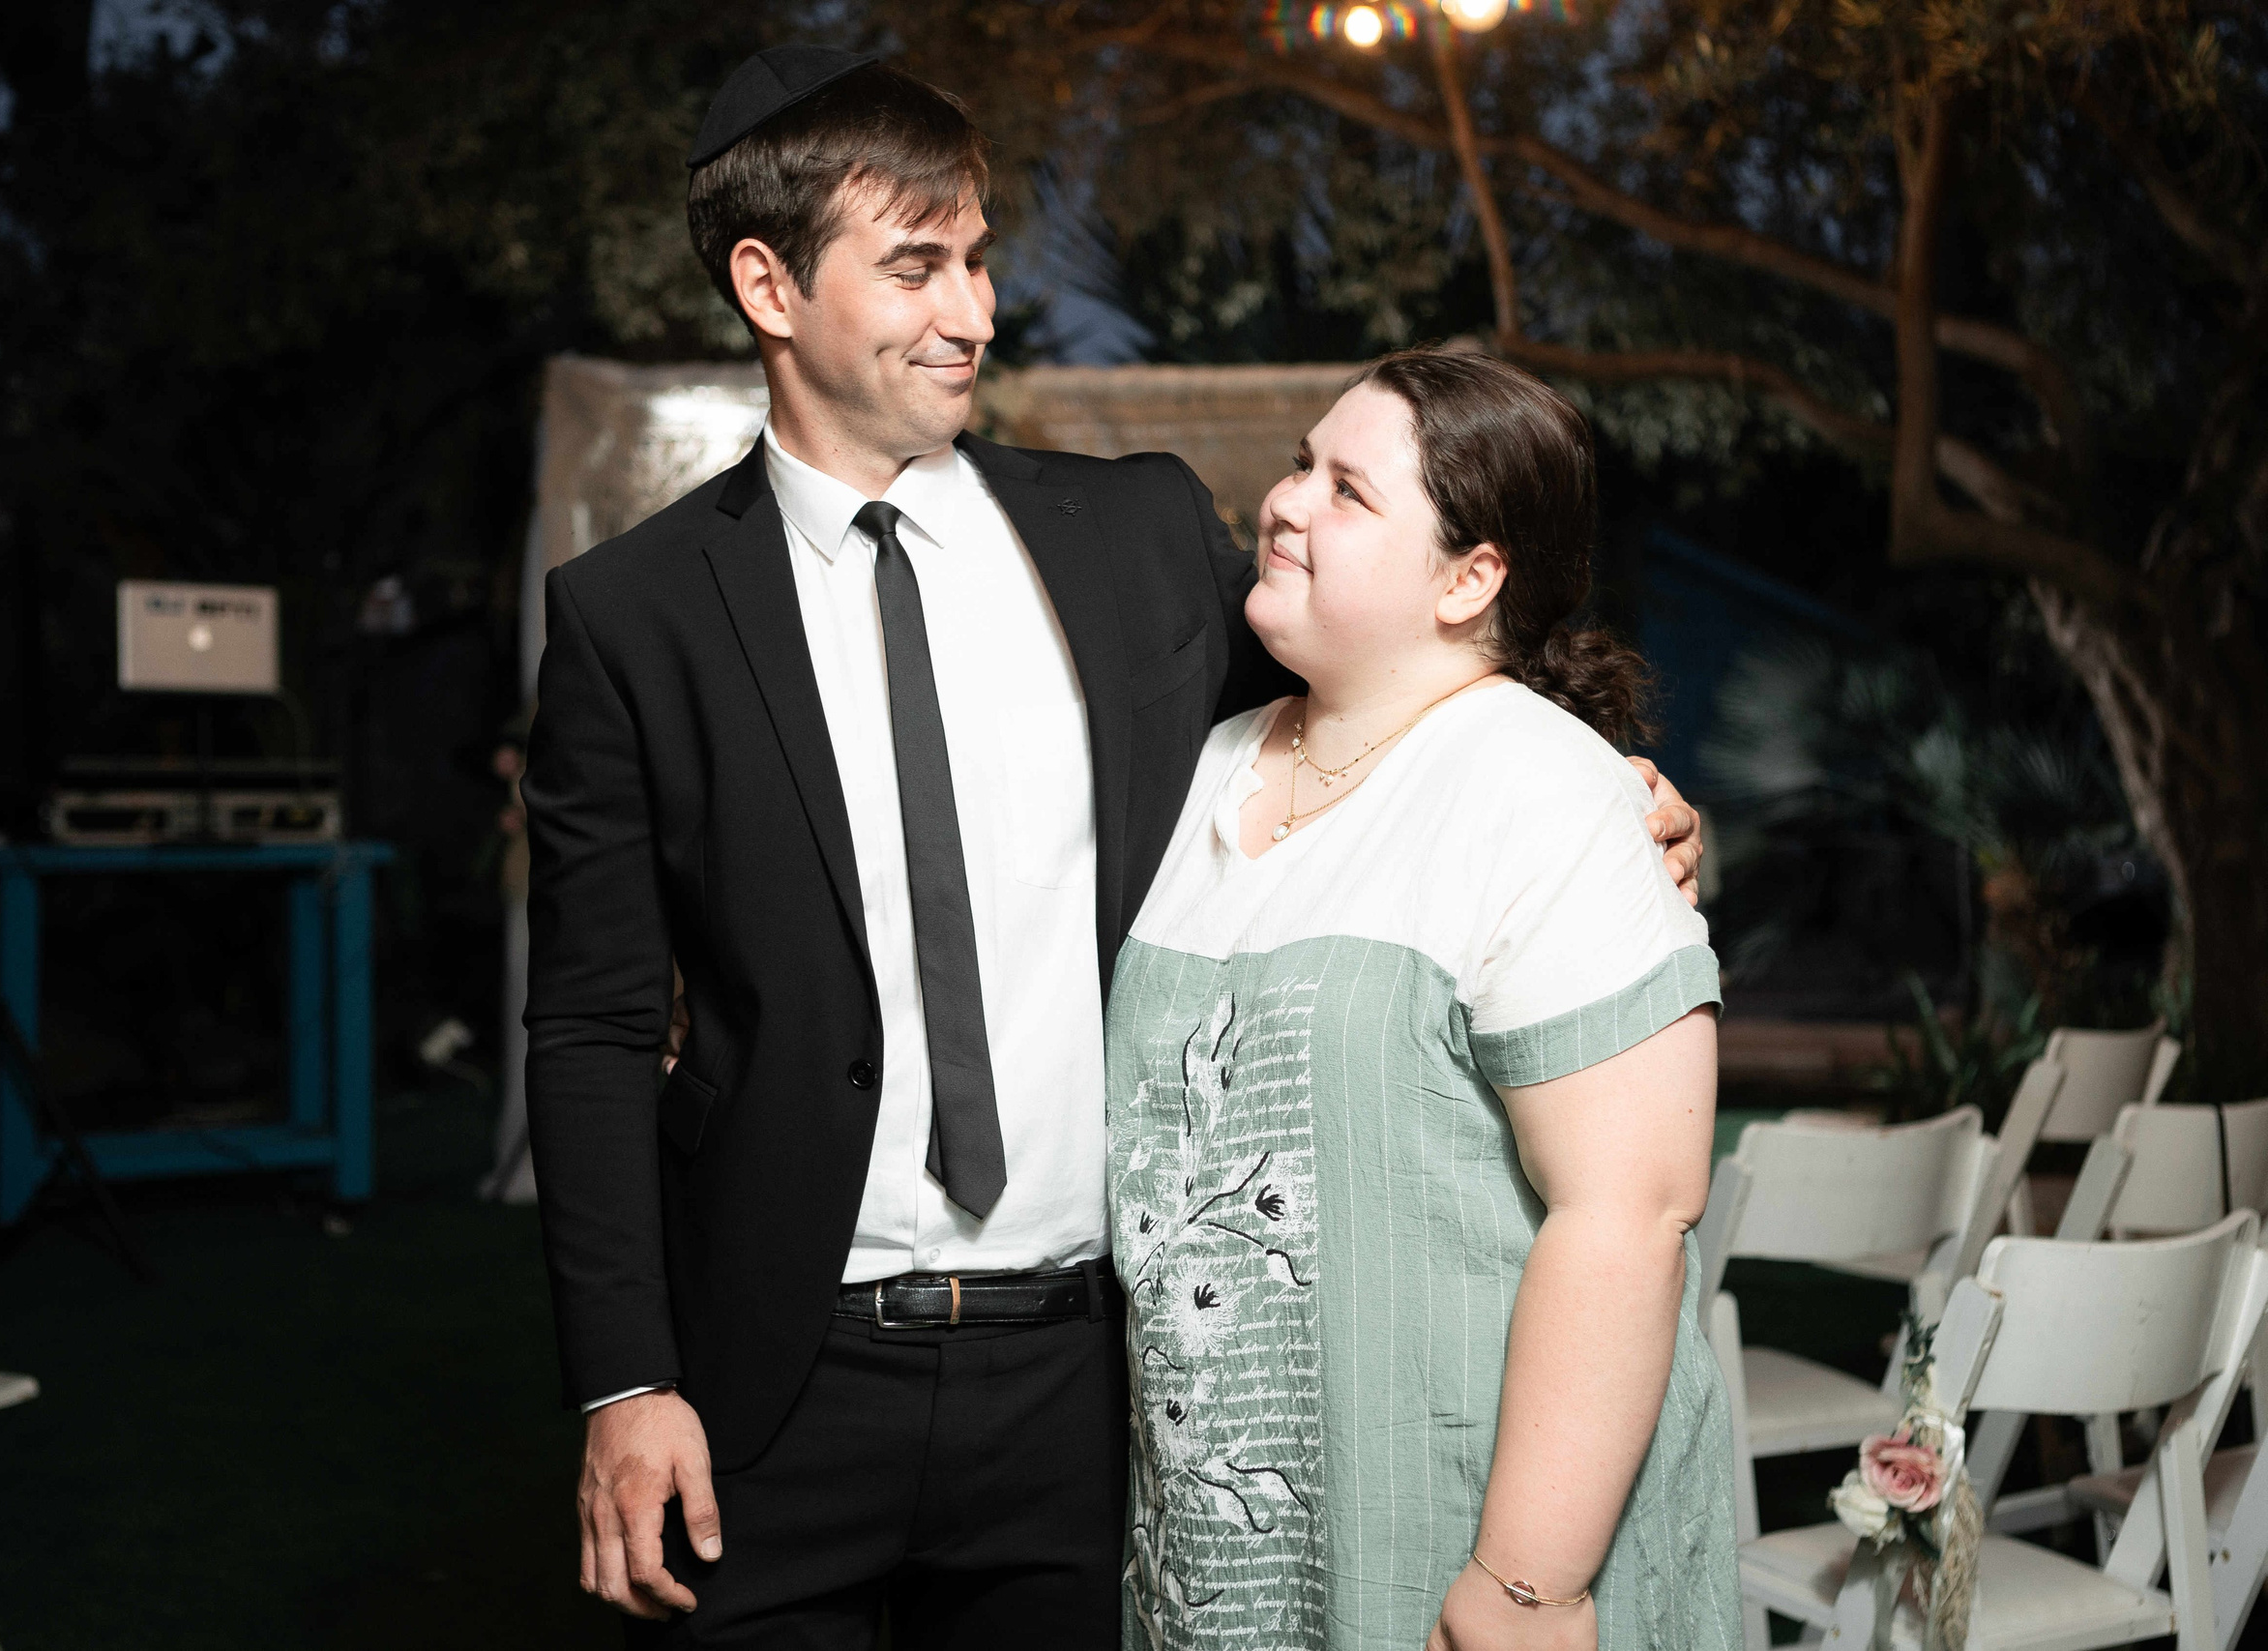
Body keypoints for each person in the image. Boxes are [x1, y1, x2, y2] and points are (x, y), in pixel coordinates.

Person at [522, 45, 1708, 1649]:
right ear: (767, 285)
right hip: (774, 1381)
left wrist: (1608, 792)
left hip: (1096, 1387)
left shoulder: (1137, 538)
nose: (975, 311)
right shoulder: (633, 616)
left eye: (981, 258)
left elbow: (1376, 719)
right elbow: (592, 1024)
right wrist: (627, 1377)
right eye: (917, 268)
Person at [1111, 348, 1737, 1651]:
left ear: (1469, 579)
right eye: (1302, 465)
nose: (1285, 502)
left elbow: (1630, 1211)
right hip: (1224, 1552)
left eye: (1348, 490)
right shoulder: (1205, 765)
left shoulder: (1544, 792)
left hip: (1464, 1542)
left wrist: (1526, 1584)